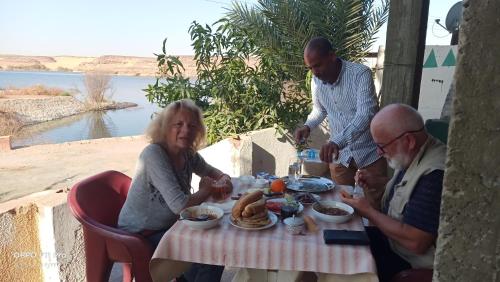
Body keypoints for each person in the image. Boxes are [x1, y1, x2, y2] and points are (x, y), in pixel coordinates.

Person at [118, 99, 232, 282]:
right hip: (141, 233)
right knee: (211, 252)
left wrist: (224, 178)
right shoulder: (154, 154)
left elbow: (211, 171)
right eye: (178, 124)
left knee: (214, 240)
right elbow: (180, 205)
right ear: (165, 127)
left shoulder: (187, 152)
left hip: (172, 225)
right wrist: (206, 189)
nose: (186, 130)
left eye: (192, 125)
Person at [340, 104, 446, 282]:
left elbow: (416, 242)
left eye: (382, 146)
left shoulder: (435, 175)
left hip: (410, 262)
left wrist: (368, 212)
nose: (379, 153)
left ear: (409, 141)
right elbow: (410, 193)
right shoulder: (415, 152)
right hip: (392, 243)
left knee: (345, 269)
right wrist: (377, 182)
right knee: (338, 238)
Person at [294, 36, 386, 208]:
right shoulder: (316, 81)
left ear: (332, 56)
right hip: (340, 158)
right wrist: (308, 126)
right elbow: (320, 109)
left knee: (376, 206)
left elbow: (366, 114)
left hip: (369, 153)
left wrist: (337, 141)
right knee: (340, 205)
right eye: (311, 68)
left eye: (318, 65)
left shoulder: (360, 74)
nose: (315, 72)